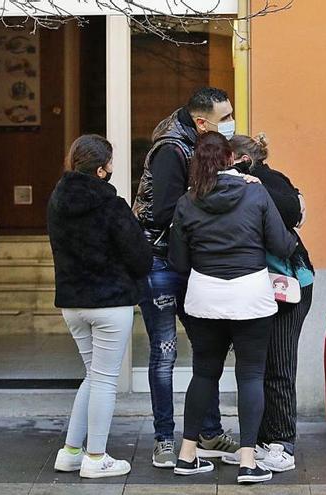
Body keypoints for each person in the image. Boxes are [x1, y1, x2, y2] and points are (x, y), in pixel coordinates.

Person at [168, 132, 297, 484]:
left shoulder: (187, 201)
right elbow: (282, 245)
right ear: (230, 158)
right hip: (249, 294)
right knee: (251, 374)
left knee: (204, 373)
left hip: (204, 296)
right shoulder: (255, 192)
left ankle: (187, 455)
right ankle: (247, 461)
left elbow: (178, 261)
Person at [132, 87, 239, 468]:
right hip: (161, 262)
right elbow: (162, 211)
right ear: (200, 121)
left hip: (190, 262)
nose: (230, 123)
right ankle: (164, 439)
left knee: (206, 349)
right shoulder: (171, 150)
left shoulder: (194, 142)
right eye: (225, 117)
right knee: (164, 352)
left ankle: (208, 432)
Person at [48, 135, 152, 479]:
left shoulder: (57, 200)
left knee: (92, 376)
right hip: (109, 303)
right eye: (110, 163)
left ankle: (71, 451)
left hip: (72, 302)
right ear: (101, 169)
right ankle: (96, 457)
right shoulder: (111, 205)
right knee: (105, 381)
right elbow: (139, 257)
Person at [225, 133, 315, 473]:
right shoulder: (262, 181)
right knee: (257, 368)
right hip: (263, 287)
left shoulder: (268, 183)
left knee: (278, 364)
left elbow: (290, 218)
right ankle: (262, 442)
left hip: (287, 287)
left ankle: (281, 442)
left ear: (241, 160)